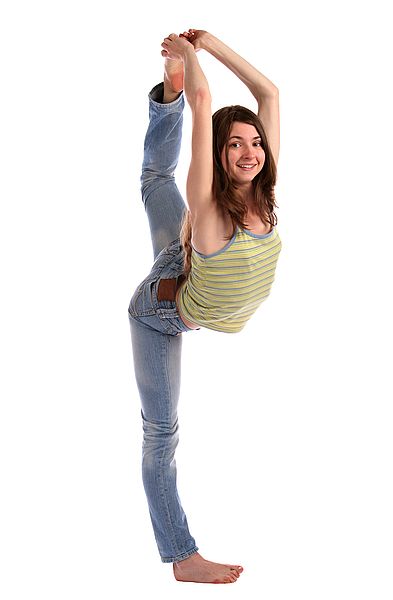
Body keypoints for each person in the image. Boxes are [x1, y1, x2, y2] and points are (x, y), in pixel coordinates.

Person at [128, 29, 281, 584]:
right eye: (235, 144)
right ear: (218, 155)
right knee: (161, 435)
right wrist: (191, 62)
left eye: (255, 143)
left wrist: (211, 45)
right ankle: (181, 556)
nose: (250, 152)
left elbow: (270, 95)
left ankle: (159, 93)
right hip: (159, 311)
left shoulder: (262, 193)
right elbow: (205, 103)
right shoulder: (211, 209)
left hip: (184, 260)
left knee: (152, 178)